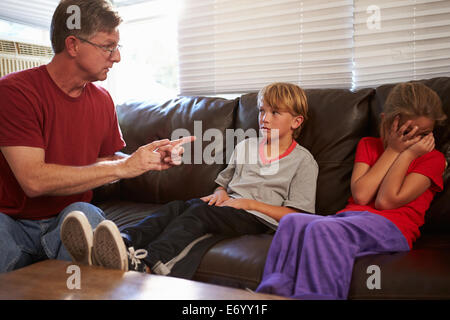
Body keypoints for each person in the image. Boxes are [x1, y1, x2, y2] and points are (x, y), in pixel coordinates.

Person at [0, 0, 191, 273]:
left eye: (117, 47)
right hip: (12, 222)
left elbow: (107, 161)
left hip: (69, 222)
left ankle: (96, 278)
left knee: (86, 213)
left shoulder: (102, 100)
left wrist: (144, 160)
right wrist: (123, 166)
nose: (116, 57)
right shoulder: (15, 92)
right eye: (108, 46)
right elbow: (33, 180)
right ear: (73, 45)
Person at [60, 82, 319, 276]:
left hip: (257, 217)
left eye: (275, 113)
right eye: (262, 111)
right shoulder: (247, 146)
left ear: (296, 121)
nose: (264, 118)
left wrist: (250, 205)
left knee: (198, 214)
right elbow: (224, 182)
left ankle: (149, 262)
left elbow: (296, 214)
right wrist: (220, 193)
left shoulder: (303, 161)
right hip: (230, 206)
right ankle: (120, 242)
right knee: (175, 207)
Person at [255, 82, 448, 300]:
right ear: (386, 122)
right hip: (352, 218)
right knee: (292, 222)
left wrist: (405, 154)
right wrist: (392, 150)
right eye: (407, 132)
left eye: (425, 134)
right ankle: (272, 294)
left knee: (323, 230)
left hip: (393, 228)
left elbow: (386, 201)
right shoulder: (368, 145)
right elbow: (362, 195)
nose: (416, 140)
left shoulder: (433, 159)